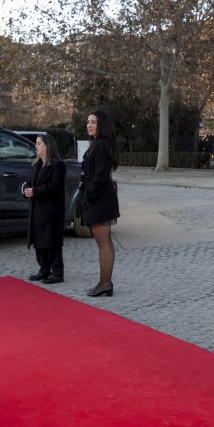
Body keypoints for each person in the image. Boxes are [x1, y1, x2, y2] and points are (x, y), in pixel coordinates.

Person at [80, 109, 120, 297]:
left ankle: (104, 284)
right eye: (88, 121)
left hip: (99, 199)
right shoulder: (98, 143)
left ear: (101, 124)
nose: (89, 125)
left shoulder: (102, 145)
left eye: (93, 122)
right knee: (105, 242)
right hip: (100, 197)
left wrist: (87, 196)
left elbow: (101, 176)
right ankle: (106, 283)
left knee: (102, 242)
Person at [24, 133, 66, 284]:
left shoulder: (58, 165)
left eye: (39, 143)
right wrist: (26, 191)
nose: (36, 146)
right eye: (36, 144)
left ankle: (57, 272)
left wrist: (35, 191)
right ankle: (44, 269)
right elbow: (29, 183)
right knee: (39, 240)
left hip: (51, 209)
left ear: (48, 146)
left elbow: (55, 186)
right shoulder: (36, 164)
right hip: (37, 208)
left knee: (51, 240)